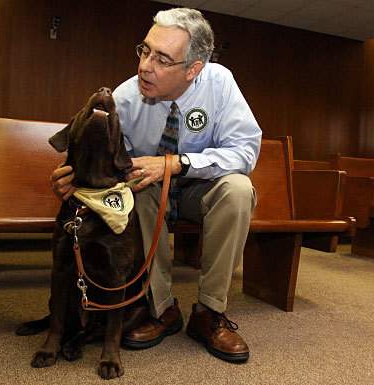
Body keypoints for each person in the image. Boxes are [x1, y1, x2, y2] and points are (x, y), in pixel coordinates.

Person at [51, 7, 261, 363]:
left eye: (162, 59)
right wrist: (72, 176)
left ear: (194, 69)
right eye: (145, 50)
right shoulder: (126, 96)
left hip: (199, 187)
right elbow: (102, 160)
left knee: (238, 189)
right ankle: (161, 308)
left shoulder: (220, 83)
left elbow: (244, 150)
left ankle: (209, 312)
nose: (146, 66)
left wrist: (178, 163)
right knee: (139, 189)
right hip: (145, 191)